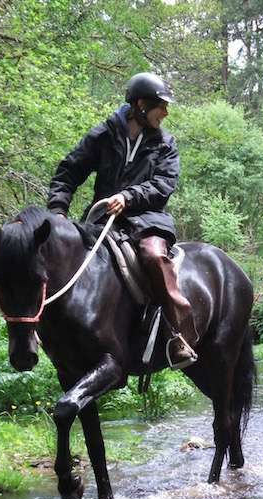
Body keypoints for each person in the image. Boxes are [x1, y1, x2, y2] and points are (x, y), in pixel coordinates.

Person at [47, 72, 197, 366]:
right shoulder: (102, 135)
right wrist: (57, 212)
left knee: (154, 257)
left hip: (149, 220)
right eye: (161, 106)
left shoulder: (166, 144)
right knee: (61, 255)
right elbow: (69, 171)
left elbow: (164, 185)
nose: (166, 113)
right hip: (100, 221)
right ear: (141, 105)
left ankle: (176, 334)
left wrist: (128, 197)